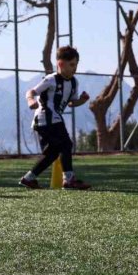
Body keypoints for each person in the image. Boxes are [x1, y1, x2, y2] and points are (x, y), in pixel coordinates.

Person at [20, 45, 92, 190]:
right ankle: (69, 180)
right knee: (66, 144)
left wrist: (82, 101)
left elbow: (71, 103)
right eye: (71, 64)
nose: (74, 68)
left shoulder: (73, 82)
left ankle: (28, 179)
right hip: (46, 118)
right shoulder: (51, 79)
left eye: (76, 65)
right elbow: (31, 91)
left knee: (52, 153)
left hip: (51, 120)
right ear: (60, 64)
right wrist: (31, 100)